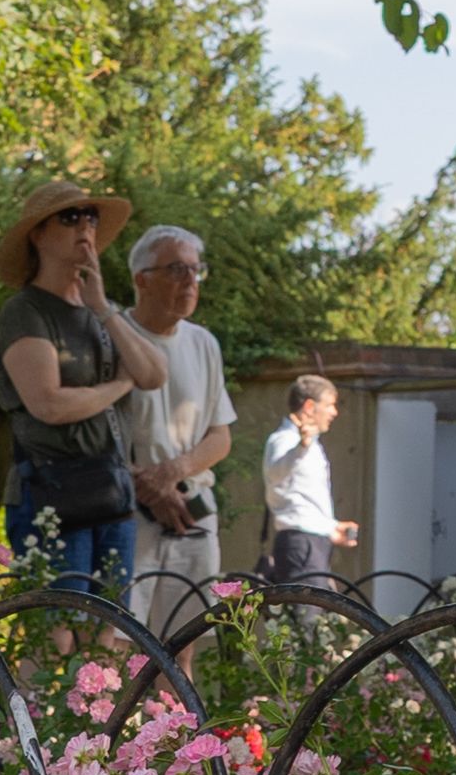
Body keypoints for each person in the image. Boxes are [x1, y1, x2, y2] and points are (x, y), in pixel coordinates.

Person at [0, 177, 167, 602]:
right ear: (38, 234)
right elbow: (48, 404)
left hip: (110, 488)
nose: (85, 225)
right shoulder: (25, 312)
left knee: (108, 626)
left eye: (91, 217)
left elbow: (155, 374)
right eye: (70, 217)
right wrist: (120, 384)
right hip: (50, 491)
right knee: (58, 630)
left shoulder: (100, 310)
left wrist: (103, 308)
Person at [116, 224, 236, 634]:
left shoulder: (204, 343)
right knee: (116, 644)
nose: (189, 280)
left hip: (192, 513)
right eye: (176, 269)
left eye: (195, 270)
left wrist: (171, 473)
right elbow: (94, 436)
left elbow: (220, 437)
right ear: (141, 279)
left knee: (180, 645)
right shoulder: (116, 336)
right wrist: (146, 485)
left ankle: (178, 705)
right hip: (128, 512)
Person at [259, 373, 359, 590]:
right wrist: (301, 447)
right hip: (301, 545)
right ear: (310, 406)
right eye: (330, 405)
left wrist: (332, 528)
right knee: (308, 620)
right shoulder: (285, 439)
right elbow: (276, 474)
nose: (335, 412)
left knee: (319, 618)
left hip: (312, 542)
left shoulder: (309, 443)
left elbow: (304, 499)